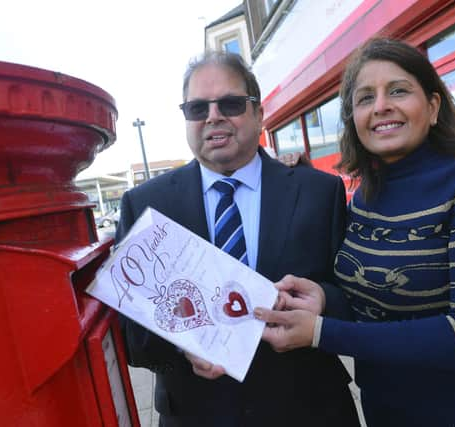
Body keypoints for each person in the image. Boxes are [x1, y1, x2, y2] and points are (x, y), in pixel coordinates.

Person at [255, 37, 455, 427]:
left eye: (398, 90)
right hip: (385, 409)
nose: (381, 105)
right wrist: (323, 302)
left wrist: (321, 332)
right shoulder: (367, 192)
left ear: (433, 106)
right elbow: (376, 304)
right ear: (354, 118)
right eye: (365, 98)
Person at [116, 50, 360, 427]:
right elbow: (132, 336)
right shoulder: (146, 205)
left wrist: (324, 302)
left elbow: (357, 301)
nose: (213, 116)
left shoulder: (319, 191)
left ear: (258, 112)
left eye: (230, 103)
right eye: (198, 108)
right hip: (196, 414)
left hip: (311, 408)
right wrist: (182, 349)